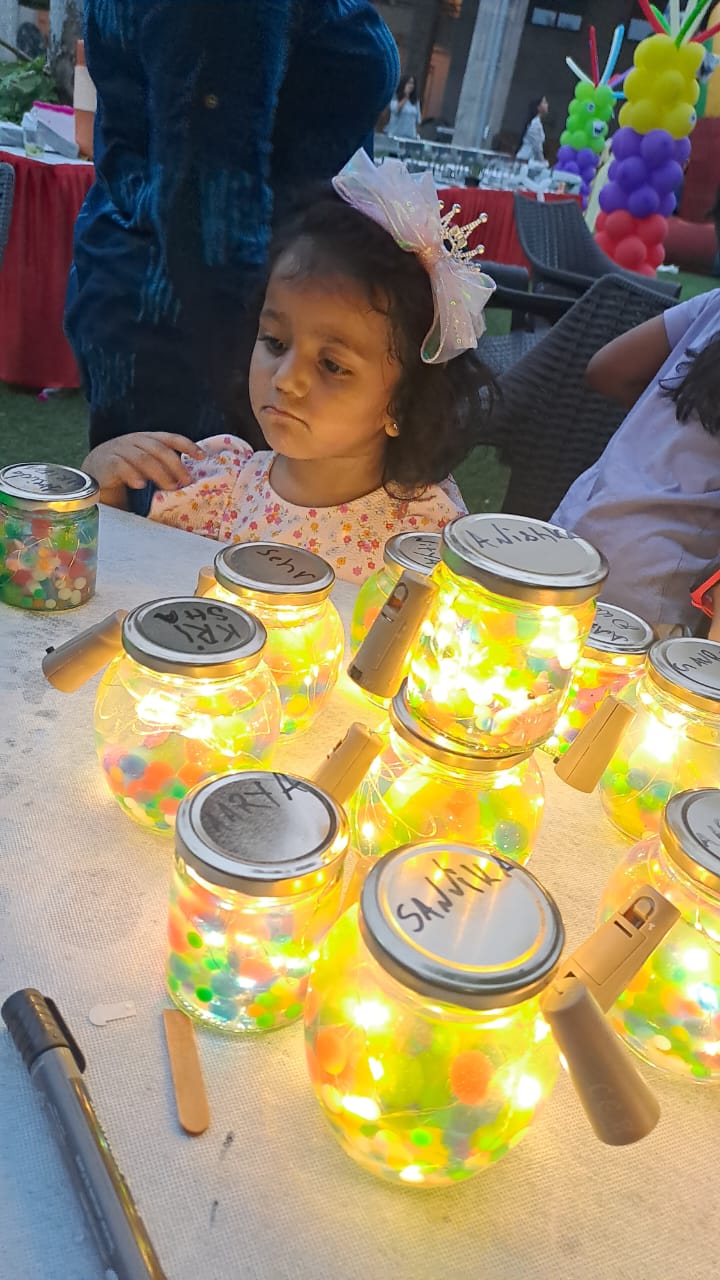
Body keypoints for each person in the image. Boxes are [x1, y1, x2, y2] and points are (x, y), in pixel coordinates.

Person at [82, 151, 497, 583]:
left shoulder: (425, 539)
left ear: (403, 402)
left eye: (332, 365)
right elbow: (136, 586)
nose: (286, 379)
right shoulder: (217, 491)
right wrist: (103, 494)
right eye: (276, 343)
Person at [65, 2, 399, 452]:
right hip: (208, 325)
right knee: (211, 492)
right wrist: (259, 372)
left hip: (209, 306)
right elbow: (211, 204)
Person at [552, 289, 720, 633]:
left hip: (568, 532)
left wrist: (660, 425)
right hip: (650, 590)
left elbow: (607, 369)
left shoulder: (715, 304)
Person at [385, 74, 422, 139]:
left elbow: (418, 119)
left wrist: (417, 134)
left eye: (412, 83)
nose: (411, 85)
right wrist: (406, 97)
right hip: (396, 135)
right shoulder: (395, 96)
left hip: (410, 136)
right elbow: (395, 110)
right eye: (409, 83)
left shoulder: (415, 101)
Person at [516, 97, 549, 164]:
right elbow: (537, 147)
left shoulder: (537, 123)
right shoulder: (535, 124)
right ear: (538, 107)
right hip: (525, 159)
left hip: (529, 159)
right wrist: (542, 161)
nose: (547, 104)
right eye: (544, 102)